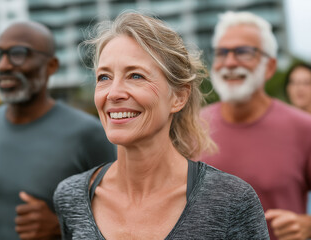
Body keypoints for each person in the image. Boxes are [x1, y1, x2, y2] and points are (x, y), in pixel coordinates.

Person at [53, 12, 269, 239]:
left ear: (178, 97)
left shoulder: (232, 201)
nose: (114, 93)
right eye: (104, 77)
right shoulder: (72, 196)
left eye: (135, 76)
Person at [0, 21, 116, 240]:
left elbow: (123, 212)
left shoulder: (90, 134)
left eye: (18, 54)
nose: (3, 65)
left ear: (51, 65)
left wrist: (61, 227)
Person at [200, 11, 311, 240]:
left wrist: (308, 226)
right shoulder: (190, 128)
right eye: (222, 53)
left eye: (243, 52)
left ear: (270, 66)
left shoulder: (304, 128)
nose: (230, 62)